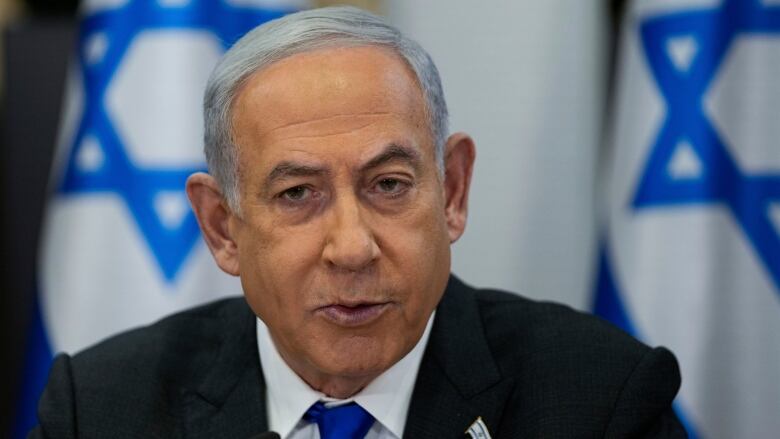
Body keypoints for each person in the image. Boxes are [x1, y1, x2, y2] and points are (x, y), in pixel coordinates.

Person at [30, 6, 686, 438]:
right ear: (223, 227)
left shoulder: (602, 402)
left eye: (389, 185)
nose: (352, 247)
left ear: (452, 189)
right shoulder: (101, 408)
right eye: (296, 194)